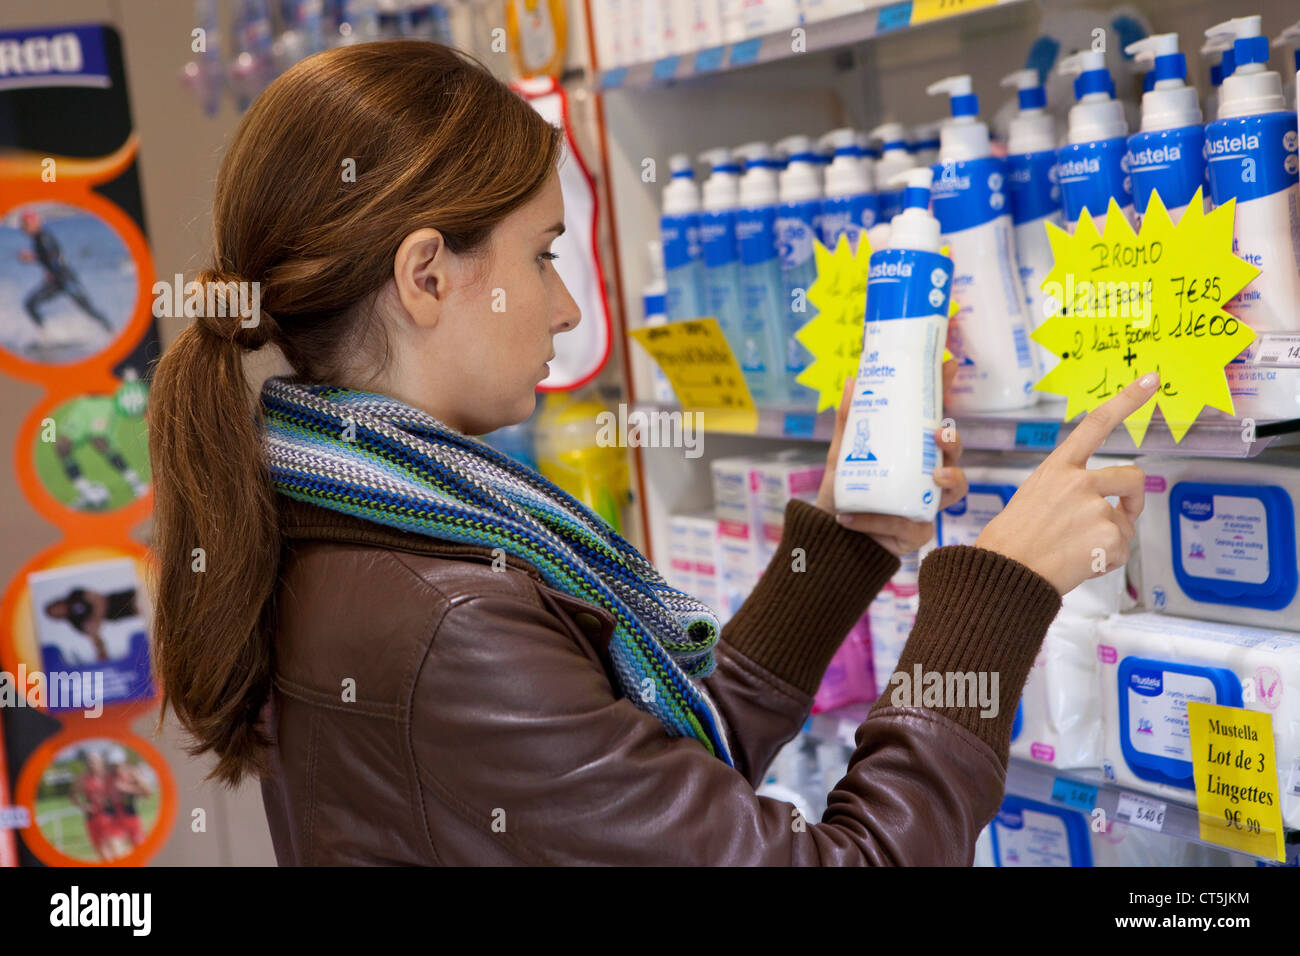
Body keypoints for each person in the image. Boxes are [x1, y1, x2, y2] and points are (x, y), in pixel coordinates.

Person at [148, 41, 1153, 866]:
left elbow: (650, 785)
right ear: (425, 275)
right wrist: (992, 594)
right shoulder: (447, 615)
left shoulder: (348, 514)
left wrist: (842, 547)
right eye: (542, 255)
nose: (568, 304)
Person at [17, 210, 114, 336]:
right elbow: (49, 258)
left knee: (87, 308)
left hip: (65, 279)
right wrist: (38, 261)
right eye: (22, 225)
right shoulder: (38, 238)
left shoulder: (42, 237)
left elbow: (54, 257)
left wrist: (49, 269)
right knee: (30, 304)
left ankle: (110, 331)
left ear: (36, 223)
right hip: (60, 279)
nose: (23, 228)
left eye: (26, 225)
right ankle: (47, 334)